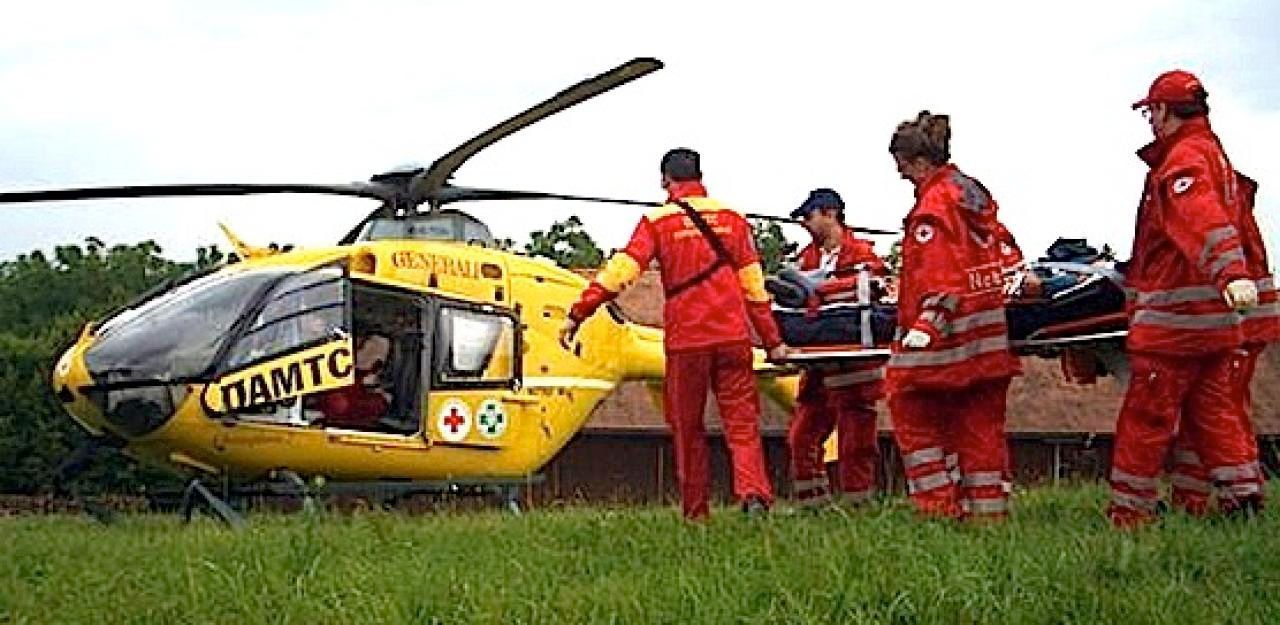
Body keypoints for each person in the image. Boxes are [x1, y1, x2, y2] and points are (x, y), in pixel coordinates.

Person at [560, 148, 790, 520]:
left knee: (687, 428)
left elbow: (621, 273)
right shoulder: (733, 219)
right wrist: (773, 341)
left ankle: (696, 513)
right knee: (743, 425)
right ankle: (753, 496)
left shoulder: (657, 221)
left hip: (688, 340)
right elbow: (754, 288)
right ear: (700, 176)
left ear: (665, 180)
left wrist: (579, 312)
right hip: (733, 337)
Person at [1111, 70, 1271, 525]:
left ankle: (1131, 513)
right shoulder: (1211, 153)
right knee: (1217, 414)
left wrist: (1230, 273)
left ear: (1163, 110)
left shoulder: (1183, 160)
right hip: (1216, 325)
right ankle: (1243, 500)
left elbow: (1201, 219)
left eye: (1151, 112)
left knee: (1147, 419)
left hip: (1176, 326)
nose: (1150, 122)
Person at [884, 111, 1022, 521]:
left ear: (919, 162)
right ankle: (988, 515)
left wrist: (926, 326)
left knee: (908, 407)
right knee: (980, 426)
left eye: (902, 166)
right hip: (989, 344)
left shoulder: (933, 208)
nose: (901, 175)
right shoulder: (973, 197)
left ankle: (938, 509)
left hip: (946, 343)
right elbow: (1008, 257)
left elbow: (940, 275)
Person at [783, 188, 888, 507]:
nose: (804, 224)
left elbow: (877, 289)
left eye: (808, 216)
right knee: (802, 436)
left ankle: (859, 504)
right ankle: (812, 505)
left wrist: (820, 290)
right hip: (817, 364)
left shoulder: (863, 255)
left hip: (855, 365)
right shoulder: (806, 258)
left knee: (856, 439)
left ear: (831, 214)